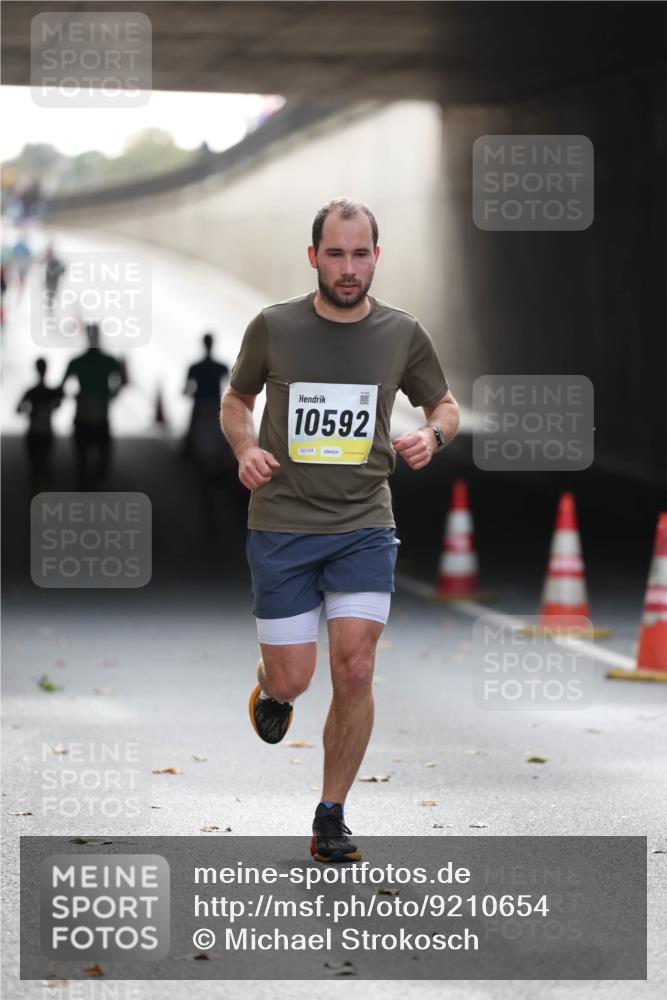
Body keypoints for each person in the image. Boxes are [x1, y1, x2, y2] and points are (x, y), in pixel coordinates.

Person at [221, 197, 460, 863]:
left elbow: (442, 401)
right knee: (297, 679)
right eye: (335, 253)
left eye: (360, 254)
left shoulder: (401, 332)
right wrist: (244, 450)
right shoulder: (273, 326)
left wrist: (432, 435)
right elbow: (236, 400)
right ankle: (272, 686)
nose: (348, 267)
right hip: (282, 525)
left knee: (354, 667)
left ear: (375, 256)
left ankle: (331, 813)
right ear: (313, 257)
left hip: (362, 524)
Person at [60, 323, 126, 489]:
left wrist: (74, 396)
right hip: (100, 416)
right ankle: (97, 482)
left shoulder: (78, 361)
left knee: (83, 455)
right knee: (101, 454)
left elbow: (63, 385)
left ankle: (85, 483)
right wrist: (112, 394)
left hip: (83, 414)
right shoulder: (108, 361)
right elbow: (122, 380)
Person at [183, 332, 230, 468]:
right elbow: (230, 387)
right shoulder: (221, 367)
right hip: (215, 404)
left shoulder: (195, 368)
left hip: (200, 404)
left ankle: (187, 453)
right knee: (220, 433)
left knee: (193, 432)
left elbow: (186, 390)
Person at [16, 358, 62, 494]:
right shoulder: (50, 392)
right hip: (46, 431)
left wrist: (29, 411)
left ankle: (35, 493)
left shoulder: (31, 392)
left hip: (34, 431)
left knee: (35, 466)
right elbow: (58, 404)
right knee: (45, 464)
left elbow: (18, 409)